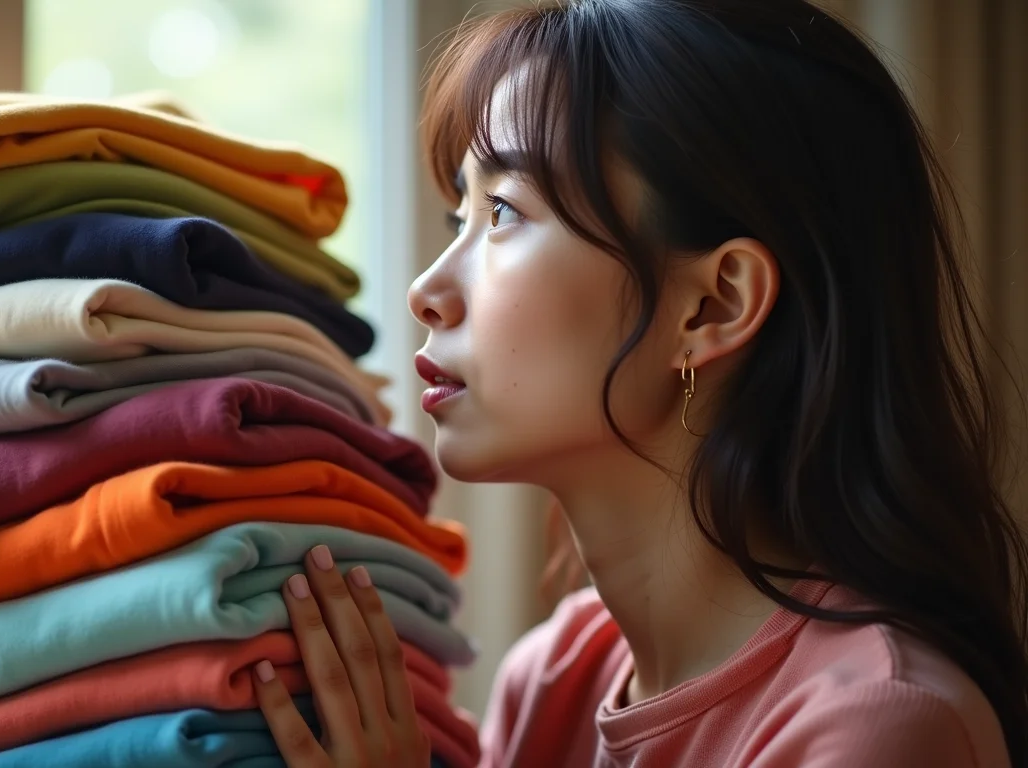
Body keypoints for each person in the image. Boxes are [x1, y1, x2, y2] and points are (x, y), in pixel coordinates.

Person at [250, 0, 1028, 765]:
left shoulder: (879, 726)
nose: (427, 289)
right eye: (461, 218)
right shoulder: (555, 679)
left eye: (504, 212)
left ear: (712, 305)